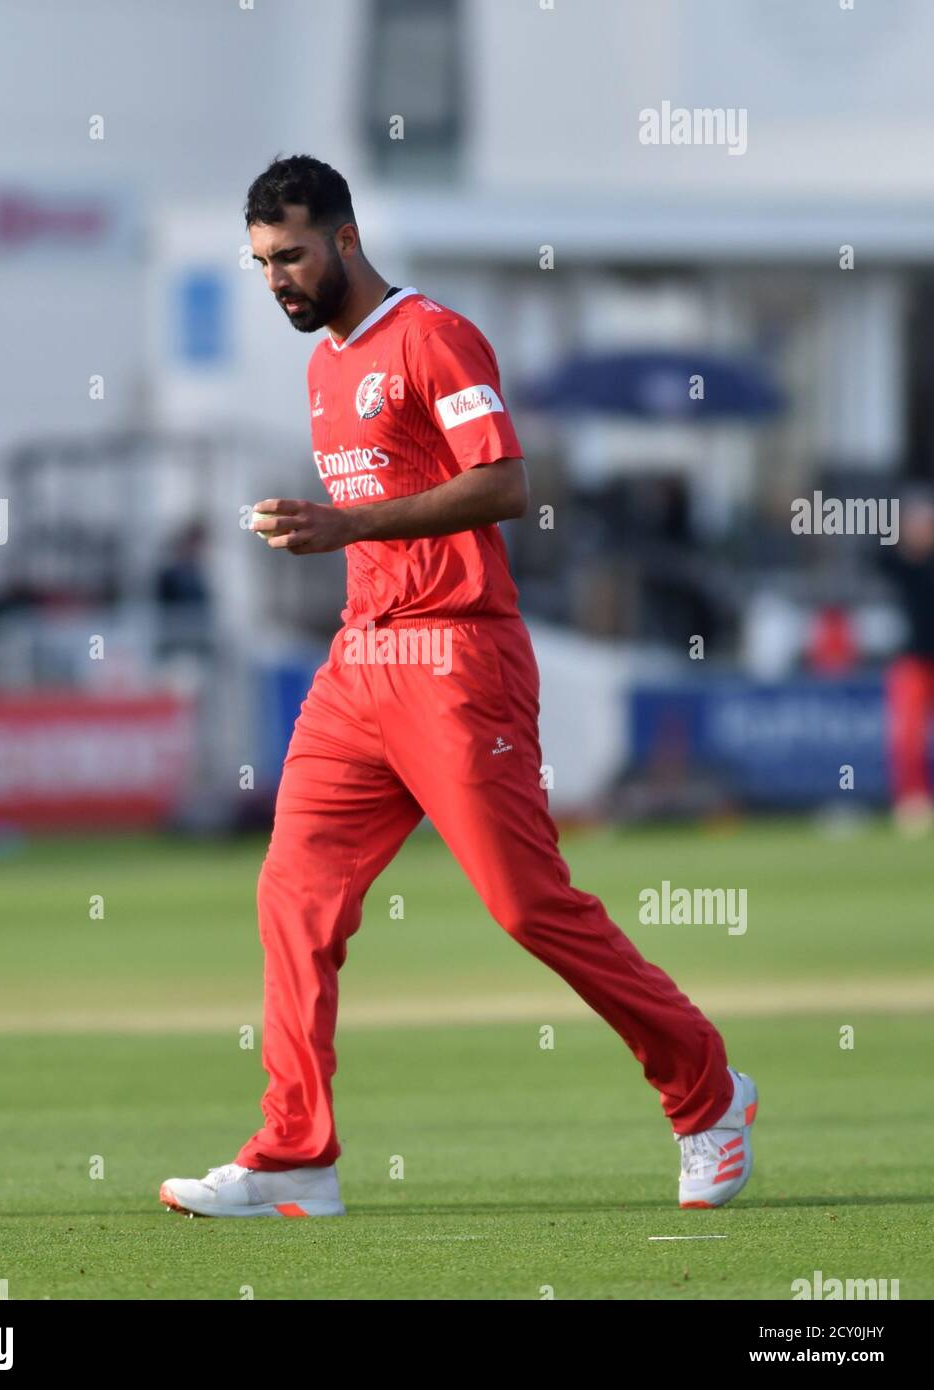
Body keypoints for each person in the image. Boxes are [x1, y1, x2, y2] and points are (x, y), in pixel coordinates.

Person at [160, 156, 757, 1219]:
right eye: (261, 264)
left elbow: (505, 484)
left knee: (528, 904)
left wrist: (345, 524)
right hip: (358, 661)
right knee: (292, 897)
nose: (278, 280)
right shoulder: (323, 367)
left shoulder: (432, 334)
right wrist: (337, 541)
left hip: (454, 657)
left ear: (344, 237)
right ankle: (296, 1150)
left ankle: (707, 1093)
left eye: (291, 255)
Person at [880, 488, 934, 836]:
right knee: (907, 736)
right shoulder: (902, 564)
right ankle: (912, 801)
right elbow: (880, 554)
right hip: (914, 659)